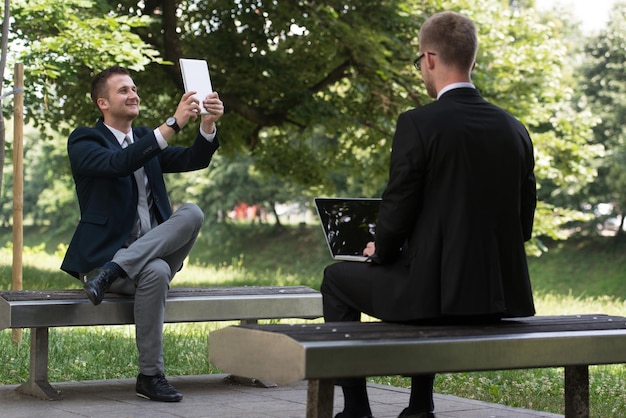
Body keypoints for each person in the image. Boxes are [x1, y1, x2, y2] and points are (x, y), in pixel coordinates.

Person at [320, 11, 536, 418]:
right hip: (497, 299)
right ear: (471, 61)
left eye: (418, 62)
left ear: (430, 58)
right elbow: (522, 225)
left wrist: (380, 251)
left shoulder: (419, 123)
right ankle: (420, 406)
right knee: (423, 269)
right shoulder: (515, 129)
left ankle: (355, 409)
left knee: (336, 280)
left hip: (433, 300)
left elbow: (398, 207)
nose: (421, 69)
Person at [61, 65, 224, 402]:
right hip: (102, 256)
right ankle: (151, 376)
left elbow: (194, 158)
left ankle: (115, 271)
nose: (133, 94)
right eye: (124, 90)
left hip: (126, 265)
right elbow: (119, 163)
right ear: (102, 103)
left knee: (192, 211)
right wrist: (174, 123)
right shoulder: (85, 140)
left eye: (134, 89)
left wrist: (206, 125)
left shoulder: (147, 143)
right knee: (159, 270)